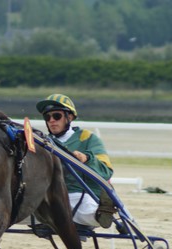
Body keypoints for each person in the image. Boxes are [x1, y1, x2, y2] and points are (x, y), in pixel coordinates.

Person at [36, 94, 115, 228]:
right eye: (47, 117)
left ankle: (101, 214)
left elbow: (106, 171)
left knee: (84, 210)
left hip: (80, 194)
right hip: (49, 197)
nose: (51, 121)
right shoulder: (42, 142)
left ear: (70, 117)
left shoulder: (88, 138)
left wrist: (86, 158)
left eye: (56, 116)